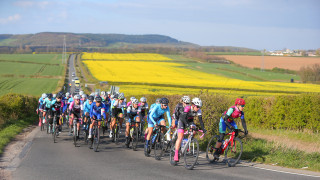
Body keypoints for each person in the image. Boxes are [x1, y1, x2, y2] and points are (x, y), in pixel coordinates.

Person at [174, 97, 206, 162]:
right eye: (197, 107)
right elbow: (183, 118)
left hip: (190, 121)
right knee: (180, 137)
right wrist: (188, 126)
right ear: (193, 105)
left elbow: (201, 121)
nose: (198, 108)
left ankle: (187, 144)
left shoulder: (199, 111)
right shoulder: (187, 108)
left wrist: (203, 129)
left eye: (199, 107)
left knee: (193, 132)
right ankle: (176, 154)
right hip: (182, 121)